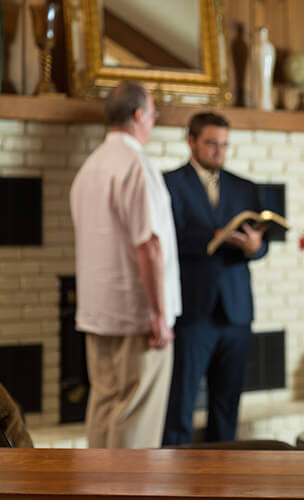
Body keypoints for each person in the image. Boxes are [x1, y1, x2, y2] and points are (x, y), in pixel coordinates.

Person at [70, 80, 181, 449]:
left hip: (98, 312)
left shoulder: (89, 167)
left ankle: (95, 490)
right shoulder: (136, 164)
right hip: (138, 318)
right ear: (139, 116)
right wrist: (159, 315)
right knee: (136, 420)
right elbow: (148, 245)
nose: (153, 121)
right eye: (153, 113)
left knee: (103, 408)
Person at [162, 112, 269, 445]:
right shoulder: (169, 183)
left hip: (236, 311)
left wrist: (255, 247)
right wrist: (214, 235)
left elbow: (261, 247)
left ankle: (221, 482)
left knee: (226, 407)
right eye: (211, 143)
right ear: (191, 141)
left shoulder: (245, 187)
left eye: (224, 145)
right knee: (180, 404)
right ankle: (172, 484)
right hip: (193, 309)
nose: (219, 151)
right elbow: (166, 241)